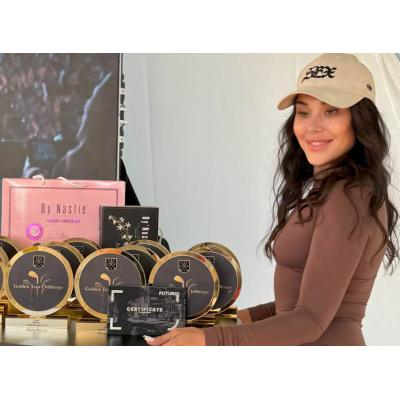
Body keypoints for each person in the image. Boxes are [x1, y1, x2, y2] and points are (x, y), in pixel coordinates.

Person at [146, 53, 399, 346]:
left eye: (331, 111)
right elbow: (290, 307)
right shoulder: (333, 192)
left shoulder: (348, 196)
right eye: (303, 112)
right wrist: (217, 322)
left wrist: (207, 339)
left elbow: (310, 320)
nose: (313, 126)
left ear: (360, 120)